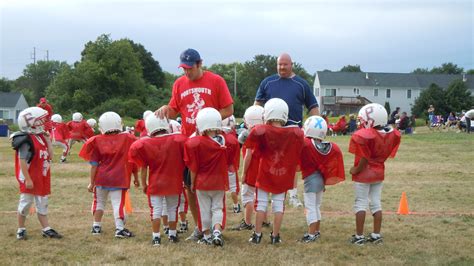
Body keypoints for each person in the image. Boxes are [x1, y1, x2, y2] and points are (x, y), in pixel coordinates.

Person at [155, 48, 234, 241]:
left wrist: (209, 120)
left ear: (200, 64)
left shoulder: (216, 81)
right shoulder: (179, 83)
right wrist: (166, 109)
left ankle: (214, 227)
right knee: (190, 186)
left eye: (190, 68)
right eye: (184, 68)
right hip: (189, 142)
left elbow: (229, 109)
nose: (187, 72)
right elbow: (174, 111)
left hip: (210, 142)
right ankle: (200, 227)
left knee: (212, 185)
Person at [254, 53, 319, 208]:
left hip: (292, 130)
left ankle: (293, 195)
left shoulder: (301, 84)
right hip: (270, 130)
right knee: (267, 161)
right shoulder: (267, 82)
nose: (282, 67)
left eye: (285, 64)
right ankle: (267, 192)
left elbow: (313, 108)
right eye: (279, 64)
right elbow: (257, 105)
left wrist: (316, 128)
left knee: (292, 163)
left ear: (291, 65)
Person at [246, 98, 305, 244]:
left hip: (265, 172)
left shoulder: (261, 131)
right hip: (283, 174)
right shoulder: (295, 132)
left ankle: (257, 235)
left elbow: (255, 151)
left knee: (261, 204)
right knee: (279, 205)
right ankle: (275, 236)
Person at [129, 115, 187, 246]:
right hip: (173, 181)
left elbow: (143, 168)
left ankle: (156, 237)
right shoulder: (178, 140)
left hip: (156, 182)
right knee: (172, 209)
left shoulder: (144, 144)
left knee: (156, 210)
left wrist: (144, 184)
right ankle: (172, 235)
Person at [79, 112, 138, 239]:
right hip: (119, 177)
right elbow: (134, 158)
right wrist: (137, 177)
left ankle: (96, 226)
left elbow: (94, 165)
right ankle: (120, 229)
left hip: (102, 177)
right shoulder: (128, 138)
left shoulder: (97, 140)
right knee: (118, 204)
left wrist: (92, 182)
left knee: (99, 202)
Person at [184, 107, 238, 246]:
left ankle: (207, 236)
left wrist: (192, 183)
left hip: (203, 182)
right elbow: (230, 164)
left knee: (204, 209)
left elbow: (194, 168)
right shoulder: (227, 141)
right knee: (217, 208)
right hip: (219, 181)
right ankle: (217, 232)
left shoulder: (195, 143)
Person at [348, 103, 401, 245]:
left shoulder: (366, 135)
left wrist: (355, 170)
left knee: (360, 204)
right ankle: (376, 235)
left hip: (364, 173)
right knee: (376, 204)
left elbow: (364, 158)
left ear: (371, 119)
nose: (361, 122)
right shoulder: (390, 134)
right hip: (378, 172)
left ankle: (359, 237)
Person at [12, 107, 62, 240]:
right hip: (31, 177)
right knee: (25, 204)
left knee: (43, 202)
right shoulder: (26, 140)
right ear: (31, 123)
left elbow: (50, 156)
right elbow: (22, 161)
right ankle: (21, 229)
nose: (44, 123)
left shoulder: (40, 136)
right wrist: (27, 179)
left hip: (41, 176)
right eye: (41, 121)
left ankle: (46, 228)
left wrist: (48, 141)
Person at [299, 115, 345, 242]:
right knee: (316, 206)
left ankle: (312, 234)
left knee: (310, 207)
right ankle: (316, 231)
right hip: (321, 179)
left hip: (311, 179)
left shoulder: (306, 144)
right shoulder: (327, 146)